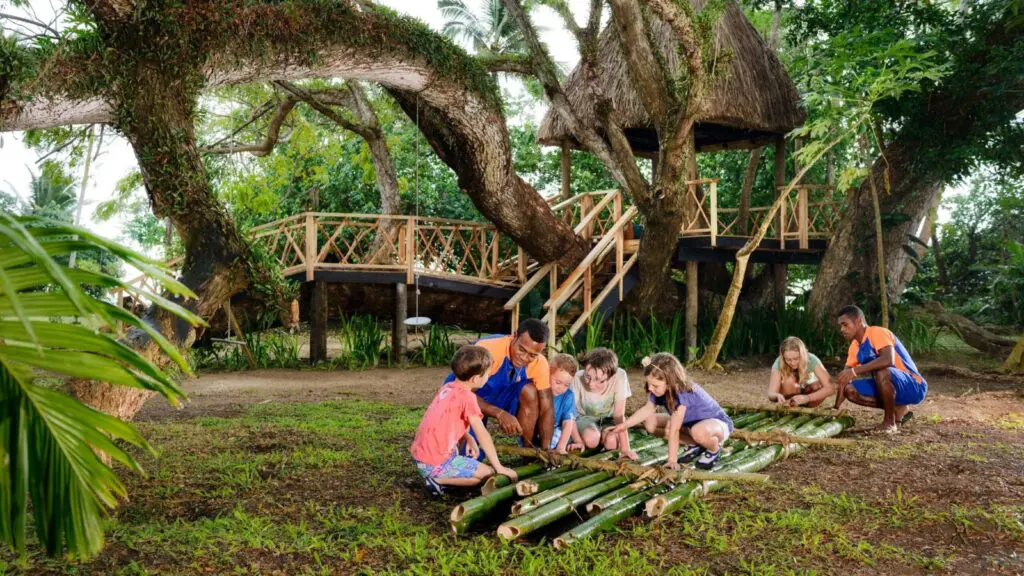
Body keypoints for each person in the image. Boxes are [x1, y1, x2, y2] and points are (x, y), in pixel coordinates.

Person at [410, 346, 518, 495]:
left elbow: (448, 420)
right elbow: (482, 434)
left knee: (474, 469)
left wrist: (468, 437)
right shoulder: (468, 398)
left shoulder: (448, 387)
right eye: (487, 374)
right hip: (433, 463)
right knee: (487, 473)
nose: (488, 377)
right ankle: (436, 480)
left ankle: (441, 476)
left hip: (420, 457)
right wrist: (499, 467)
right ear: (475, 379)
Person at [611, 353, 733, 470]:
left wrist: (672, 460)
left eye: (655, 385)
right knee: (649, 422)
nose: (649, 388)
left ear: (670, 382)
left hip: (716, 426)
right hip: (690, 426)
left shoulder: (683, 394)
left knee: (698, 431)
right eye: (648, 384)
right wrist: (624, 426)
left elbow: (674, 430)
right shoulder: (660, 391)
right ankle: (696, 444)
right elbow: (647, 409)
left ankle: (713, 449)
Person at [446, 318, 555, 449]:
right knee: (469, 454)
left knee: (530, 391)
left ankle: (529, 452)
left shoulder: (540, 363)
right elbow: (463, 392)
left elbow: (547, 408)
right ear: (514, 336)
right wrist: (499, 413)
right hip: (462, 394)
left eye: (532, 355)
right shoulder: (488, 350)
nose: (524, 358)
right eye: (521, 349)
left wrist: (546, 449)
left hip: (497, 393)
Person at [833, 305, 927, 434]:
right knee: (849, 390)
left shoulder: (877, 332)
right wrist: (835, 408)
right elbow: (844, 379)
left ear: (858, 321)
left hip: (913, 385)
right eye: (841, 326)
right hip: (888, 385)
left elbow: (888, 360)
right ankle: (898, 408)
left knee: (882, 370)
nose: (842, 329)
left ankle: (889, 423)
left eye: (845, 325)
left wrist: (855, 371)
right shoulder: (854, 346)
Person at [567, 347, 632, 450]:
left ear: (611, 377)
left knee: (612, 443)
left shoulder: (620, 376)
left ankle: (602, 434)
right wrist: (577, 441)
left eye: (598, 380)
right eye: (587, 376)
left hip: (608, 419)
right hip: (584, 418)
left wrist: (626, 449)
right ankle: (598, 436)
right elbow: (569, 414)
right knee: (591, 439)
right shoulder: (577, 378)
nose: (591, 384)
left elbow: (619, 414)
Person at [768, 336, 834, 407]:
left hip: (807, 393)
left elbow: (830, 388)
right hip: (790, 394)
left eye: (796, 359)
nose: (792, 363)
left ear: (803, 354)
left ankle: (806, 408)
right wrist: (776, 395)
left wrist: (808, 398)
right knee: (788, 381)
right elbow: (771, 393)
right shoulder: (779, 362)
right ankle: (791, 407)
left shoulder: (812, 360)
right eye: (788, 359)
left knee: (818, 385)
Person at [548, 353, 584, 454]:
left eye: (567, 385)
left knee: (552, 442)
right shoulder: (540, 389)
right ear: (548, 373)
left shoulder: (568, 396)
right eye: (558, 382)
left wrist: (561, 447)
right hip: (536, 428)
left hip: (555, 429)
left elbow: (568, 422)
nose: (561, 388)